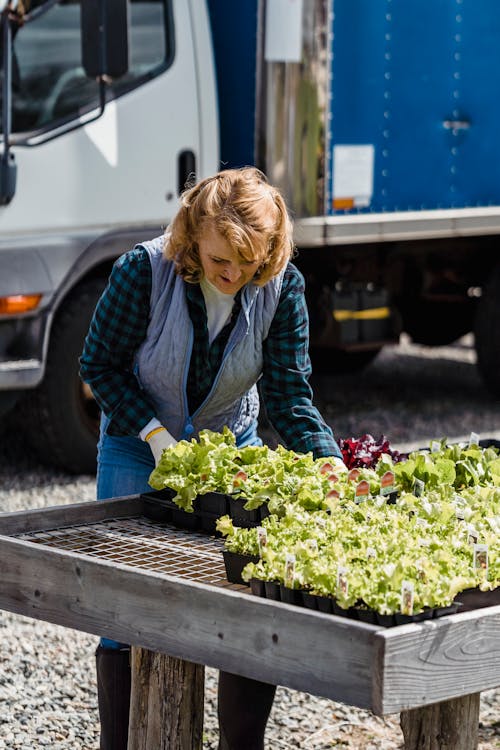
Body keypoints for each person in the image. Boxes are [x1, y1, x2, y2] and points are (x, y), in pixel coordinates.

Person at [79, 166, 345, 750]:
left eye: (248, 264)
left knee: (246, 601)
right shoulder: (141, 271)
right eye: (222, 259)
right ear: (196, 234)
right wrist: (152, 433)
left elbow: (289, 395)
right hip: (138, 445)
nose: (232, 275)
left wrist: (328, 465)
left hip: (232, 447)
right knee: (126, 610)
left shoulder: (284, 288)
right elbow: (98, 366)